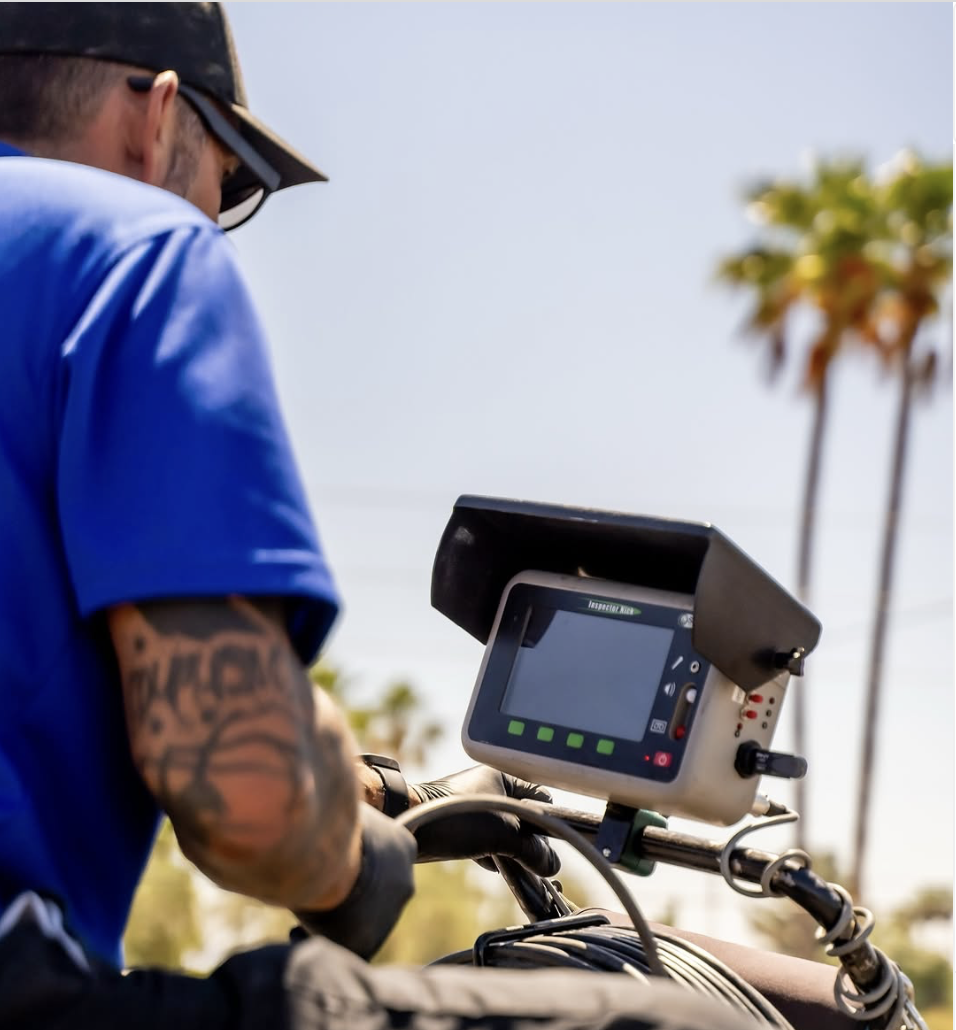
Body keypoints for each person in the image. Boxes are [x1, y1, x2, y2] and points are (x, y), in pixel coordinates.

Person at [0, 5, 762, 1029]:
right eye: (229, 182)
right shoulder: (129, 249)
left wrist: (372, 788)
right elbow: (239, 792)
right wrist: (362, 864)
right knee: (687, 1024)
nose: (212, 215)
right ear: (159, 116)